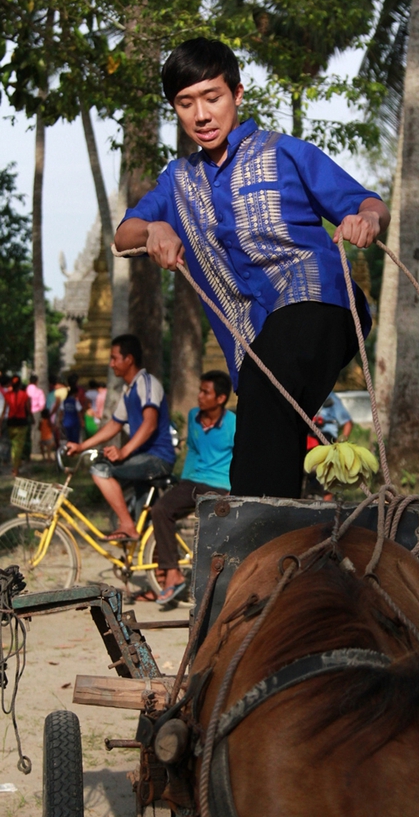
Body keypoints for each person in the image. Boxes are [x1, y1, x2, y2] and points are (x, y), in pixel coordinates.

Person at [114, 37, 390, 500]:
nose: (201, 115)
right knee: (259, 432)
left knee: (267, 390)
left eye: (212, 97)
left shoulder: (286, 153)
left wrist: (367, 219)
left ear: (237, 95)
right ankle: (280, 543)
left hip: (321, 304)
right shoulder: (177, 180)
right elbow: (125, 234)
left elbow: (367, 202)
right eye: (185, 103)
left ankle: (259, 534)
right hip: (255, 346)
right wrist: (152, 231)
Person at [66, 334, 175, 542]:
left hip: (157, 459)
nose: (111, 364)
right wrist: (81, 446)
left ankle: (127, 525)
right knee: (148, 519)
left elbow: (149, 423)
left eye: (114, 358)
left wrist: (124, 451)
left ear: (129, 359)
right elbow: (115, 424)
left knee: (100, 470)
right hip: (143, 458)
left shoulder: (147, 383)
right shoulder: (130, 389)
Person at [152, 370, 236, 605]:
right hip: (193, 480)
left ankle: (215, 587)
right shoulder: (193, 416)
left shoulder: (233, 423)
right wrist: (181, 481)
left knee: (213, 527)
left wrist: (234, 491)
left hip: (221, 486)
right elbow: (193, 450)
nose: (199, 396)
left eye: (205, 392)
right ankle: (172, 574)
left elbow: (240, 458)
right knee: (160, 510)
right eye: (200, 390)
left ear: (220, 398)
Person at [5, 376, 30, 476]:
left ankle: (16, 465)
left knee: (13, 445)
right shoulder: (24, 395)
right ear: (20, 384)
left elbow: (4, 411)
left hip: (11, 422)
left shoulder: (7, 395)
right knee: (19, 446)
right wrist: (32, 418)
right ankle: (15, 468)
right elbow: (27, 409)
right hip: (21, 422)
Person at [58, 375, 84, 444]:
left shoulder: (64, 401)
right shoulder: (75, 401)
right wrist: (81, 421)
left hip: (66, 422)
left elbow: (61, 412)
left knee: (69, 438)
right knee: (75, 439)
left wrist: (60, 420)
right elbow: (79, 412)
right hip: (75, 422)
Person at [26, 373, 46, 456]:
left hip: (26, 412)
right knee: (36, 430)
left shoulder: (25, 390)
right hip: (36, 412)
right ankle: (35, 449)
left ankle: (27, 449)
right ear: (36, 382)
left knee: (28, 431)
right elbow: (42, 404)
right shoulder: (39, 391)